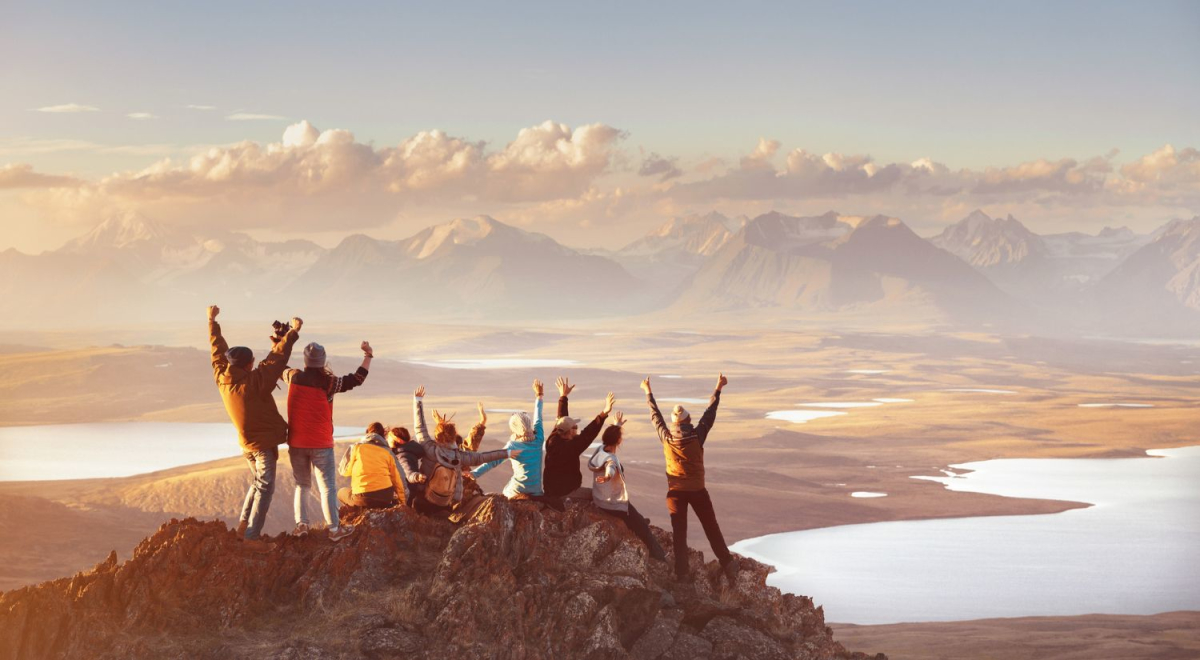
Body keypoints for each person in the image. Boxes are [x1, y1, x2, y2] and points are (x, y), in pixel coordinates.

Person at [207, 305, 299, 549]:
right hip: (261, 445)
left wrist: (212, 322)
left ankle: (243, 527)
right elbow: (275, 361)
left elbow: (218, 352)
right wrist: (291, 334)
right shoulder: (252, 384)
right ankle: (251, 537)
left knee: (257, 483)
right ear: (248, 365)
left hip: (246, 444)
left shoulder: (222, 378)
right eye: (252, 362)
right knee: (266, 487)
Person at [642, 373, 738, 583]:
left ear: (675, 422)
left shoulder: (667, 438)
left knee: (679, 534)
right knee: (711, 528)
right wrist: (718, 387)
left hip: (675, 493)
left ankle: (682, 574)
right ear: (687, 420)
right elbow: (710, 413)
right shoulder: (698, 435)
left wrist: (648, 391)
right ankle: (728, 564)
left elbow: (655, 417)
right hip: (697, 491)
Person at [283, 340, 373, 541]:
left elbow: (281, 366)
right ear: (322, 361)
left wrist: (280, 342)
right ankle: (334, 530)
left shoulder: (293, 377)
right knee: (328, 488)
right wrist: (368, 356)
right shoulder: (329, 383)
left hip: (297, 443)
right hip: (321, 443)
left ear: (306, 361)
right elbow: (357, 378)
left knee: (302, 485)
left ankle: (301, 526)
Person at [408, 386, 519, 518]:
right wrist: (506, 453)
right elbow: (483, 457)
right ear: (454, 436)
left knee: (414, 499)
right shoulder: (460, 456)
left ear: (437, 436)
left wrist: (418, 400)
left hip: (425, 499)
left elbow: (419, 427)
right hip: (445, 503)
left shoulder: (430, 449)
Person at [587, 412, 667, 561]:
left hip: (600, 498)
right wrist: (607, 476)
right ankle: (660, 556)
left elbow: (609, 442)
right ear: (618, 441)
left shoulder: (600, 450)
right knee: (642, 527)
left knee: (637, 515)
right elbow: (610, 468)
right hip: (612, 503)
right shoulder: (610, 458)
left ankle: (639, 519)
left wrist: (617, 425)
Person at [471, 379, 547, 501]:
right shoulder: (539, 439)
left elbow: (492, 462)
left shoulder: (513, 445)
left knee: (505, 491)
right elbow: (538, 418)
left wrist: (474, 474)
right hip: (537, 491)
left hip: (517, 490)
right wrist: (539, 395)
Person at [543, 377, 614, 501]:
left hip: (551, 489)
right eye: (575, 427)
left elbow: (562, 418)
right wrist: (603, 414)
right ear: (569, 431)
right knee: (601, 496)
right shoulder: (570, 448)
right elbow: (588, 434)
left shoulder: (554, 437)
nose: (577, 428)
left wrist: (563, 396)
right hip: (565, 492)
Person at [337, 422, 404, 510]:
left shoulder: (356, 448)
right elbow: (397, 479)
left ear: (367, 432)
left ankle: (357, 510)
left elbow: (343, 471)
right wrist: (402, 502)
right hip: (386, 497)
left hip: (363, 497)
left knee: (341, 492)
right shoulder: (387, 452)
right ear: (383, 435)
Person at [387, 426, 422, 506]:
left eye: (389, 438)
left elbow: (408, 472)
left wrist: (415, 476)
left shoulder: (403, 456)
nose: (387, 440)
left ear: (397, 440)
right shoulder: (403, 453)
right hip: (408, 492)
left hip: (406, 494)